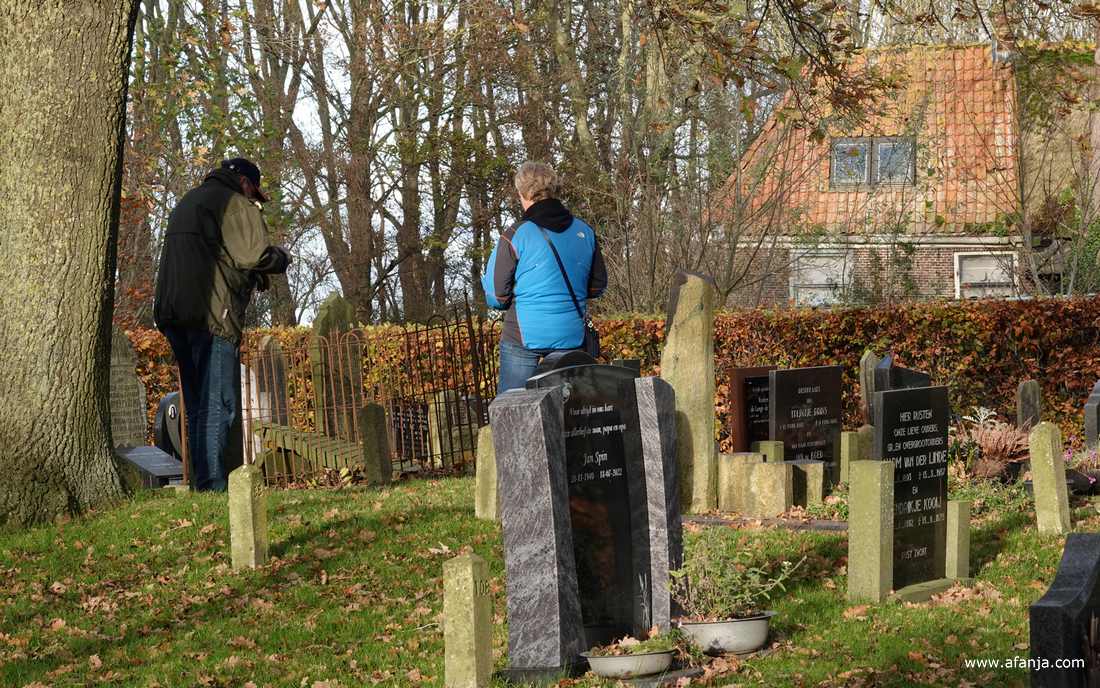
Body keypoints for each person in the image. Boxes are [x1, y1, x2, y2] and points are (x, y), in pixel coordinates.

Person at [153, 158, 290, 491]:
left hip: (174, 314)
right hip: (213, 316)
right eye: (254, 193)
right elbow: (252, 255)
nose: (255, 200)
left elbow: (215, 255)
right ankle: (213, 486)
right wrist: (281, 258)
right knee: (220, 404)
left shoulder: (189, 200)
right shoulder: (234, 204)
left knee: (198, 405)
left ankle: (201, 483)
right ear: (244, 182)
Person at [482, 161, 607, 392]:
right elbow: (598, 286)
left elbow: (496, 297)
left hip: (522, 336)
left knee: (513, 409)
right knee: (570, 412)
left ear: (522, 192)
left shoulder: (514, 236)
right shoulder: (585, 232)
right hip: (570, 335)